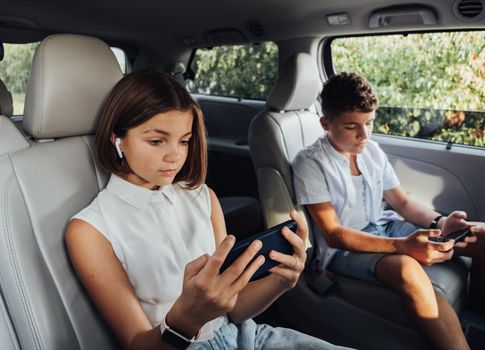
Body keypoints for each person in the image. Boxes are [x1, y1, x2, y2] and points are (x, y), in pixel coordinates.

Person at [66, 69, 353, 350]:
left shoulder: (203, 197)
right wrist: (186, 319)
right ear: (116, 139)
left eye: (185, 141)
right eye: (156, 141)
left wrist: (281, 279)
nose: (175, 155)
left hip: (245, 336)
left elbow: (235, 308)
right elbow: (138, 344)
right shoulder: (91, 230)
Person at [292, 72, 485, 350]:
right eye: (351, 127)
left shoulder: (370, 151)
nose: (363, 135)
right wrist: (404, 247)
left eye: (369, 123)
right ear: (326, 123)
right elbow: (334, 234)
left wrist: (442, 222)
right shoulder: (310, 163)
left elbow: (403, 204)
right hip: (345, 248)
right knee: (407, 268)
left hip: (384, 225)